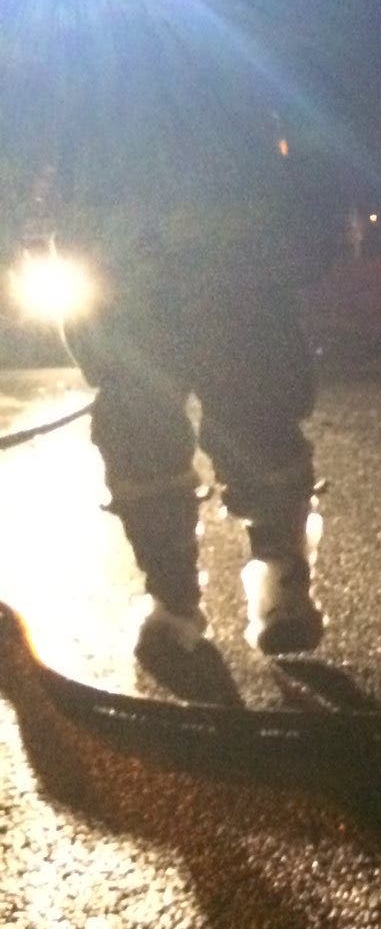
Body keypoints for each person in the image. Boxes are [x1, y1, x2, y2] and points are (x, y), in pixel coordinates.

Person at [36, 44, 334, 675]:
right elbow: (71, 192)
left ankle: (272, 582)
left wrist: (307, 233)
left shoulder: (211, 58)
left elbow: (301, 145)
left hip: (231, 286)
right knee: (149, 441)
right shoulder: (105, 79)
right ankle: (179, 600)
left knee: (254, 431)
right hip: (155, 294)